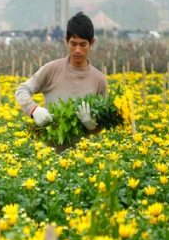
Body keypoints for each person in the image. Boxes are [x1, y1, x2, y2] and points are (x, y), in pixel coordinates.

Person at [15, 12, 108, 154]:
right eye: (73, 44)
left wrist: (92, 125)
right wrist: (34, 110)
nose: (77, 50)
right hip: (49, 157)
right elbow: (22, 90)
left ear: (92, 43)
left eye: (83, 44)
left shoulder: (99, 80)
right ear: (66, 41)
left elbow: (101, 123)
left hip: (84, 161)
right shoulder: (52, 69)